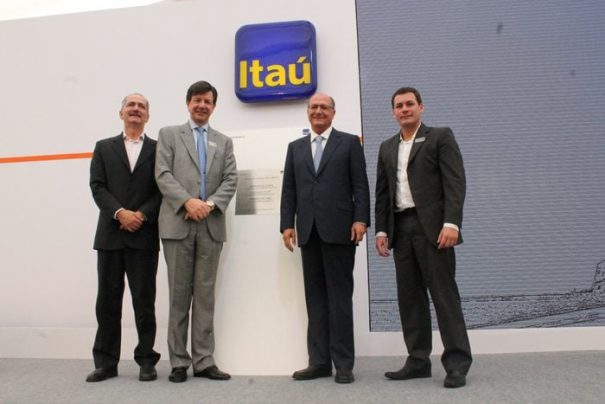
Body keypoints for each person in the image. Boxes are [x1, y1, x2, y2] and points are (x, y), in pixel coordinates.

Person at [375, 87, 472, 388]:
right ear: (393, 112)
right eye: (398, 106)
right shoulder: (386, 147)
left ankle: (456, 364)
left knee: (444, 296)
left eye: (409, 104)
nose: (404, 109)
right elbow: (382, 193)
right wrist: (381, 230)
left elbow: (455, 182)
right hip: (400, 229)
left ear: (421, 107)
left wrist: (452, 223)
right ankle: (418, 360)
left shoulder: (440, 137)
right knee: (410, 298)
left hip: (433, 228)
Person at [280, 92, 370, 384]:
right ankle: (318, 362)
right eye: (314, 107)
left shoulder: (349, 143)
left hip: (341, 230)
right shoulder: (295, 148)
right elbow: (289, 189)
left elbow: (360, 185)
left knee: (340, 299)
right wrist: (287, 224)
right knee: (315, 299)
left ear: (333, 112)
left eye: (324, 107)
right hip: (308, 231)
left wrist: (360, 219)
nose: (318, 111)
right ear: (308, 112)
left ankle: (343, 364)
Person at [155, 80, 237, 383]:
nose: (202, 105)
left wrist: (211, 204)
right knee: (178, 295)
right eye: (197, 100)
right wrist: (188, 202)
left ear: (214, 106)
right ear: (188, 103)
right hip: (178, 224)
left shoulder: (224, 141)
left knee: (205, 296)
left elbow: (230, 179)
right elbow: (162, 174)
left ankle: (204, 360)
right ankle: (178, 362)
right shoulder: (168, 135)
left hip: (210, 225)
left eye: (208, 101)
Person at [87, 93, 161, 382]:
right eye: (131, 105)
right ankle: (105, 362)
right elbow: (97, 186)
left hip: (143, 235)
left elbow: (162, 189)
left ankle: (146, 360)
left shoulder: (158, 149)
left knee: (144, 300)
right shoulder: (103, 148)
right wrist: (120, 213)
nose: (135, 109)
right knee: (107, 301)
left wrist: (140, 215)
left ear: (147, 116)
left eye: (141, 106)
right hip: (110, 235)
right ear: (121, 113)